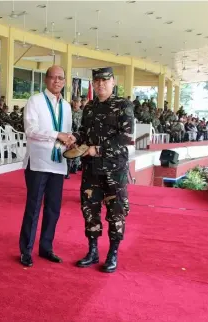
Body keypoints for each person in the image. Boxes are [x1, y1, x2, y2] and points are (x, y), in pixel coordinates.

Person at [72, 67, 134, 273]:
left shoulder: (123, 105)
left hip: (114, 171)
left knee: (116, 212)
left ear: (113, 82)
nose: (100, 84)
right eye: (97, 81)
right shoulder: (89, 108)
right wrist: (75, 140)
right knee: (90, 210)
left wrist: (96, 149)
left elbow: (125, 137)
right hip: (91, 170)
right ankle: (92, 251)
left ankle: (112, 253)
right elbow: (84, 132)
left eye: (105, 81)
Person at [18, 65, 75, 267]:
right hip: (39, 162)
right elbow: (30, 129)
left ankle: (46, 247)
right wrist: (55, 134)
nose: (57, 81)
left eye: (61, 78)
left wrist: (70, 138)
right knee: (33, 208)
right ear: (46, 80)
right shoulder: (35, 101)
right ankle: (26, 250)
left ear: (65, 81)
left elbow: (66, 132)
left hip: (58, 163)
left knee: (53, 209)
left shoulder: (67, 106)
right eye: (53, 78)